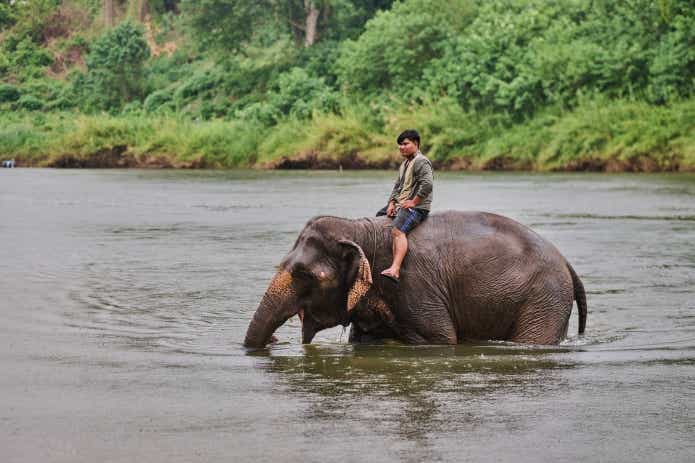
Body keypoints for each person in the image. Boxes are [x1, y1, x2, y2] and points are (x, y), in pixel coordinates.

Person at [377, 129, 433, 284]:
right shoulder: (405, 164)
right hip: (402, 203)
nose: (402, 147)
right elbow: (397, 187)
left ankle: (395, 269)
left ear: (416, 144)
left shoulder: (421, 161)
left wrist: (414, 202)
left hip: (417, 207)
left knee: (398, 231)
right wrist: (392, 203)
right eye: (400, 145)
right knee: (379, 215)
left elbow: (427, 184)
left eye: (405, 144)